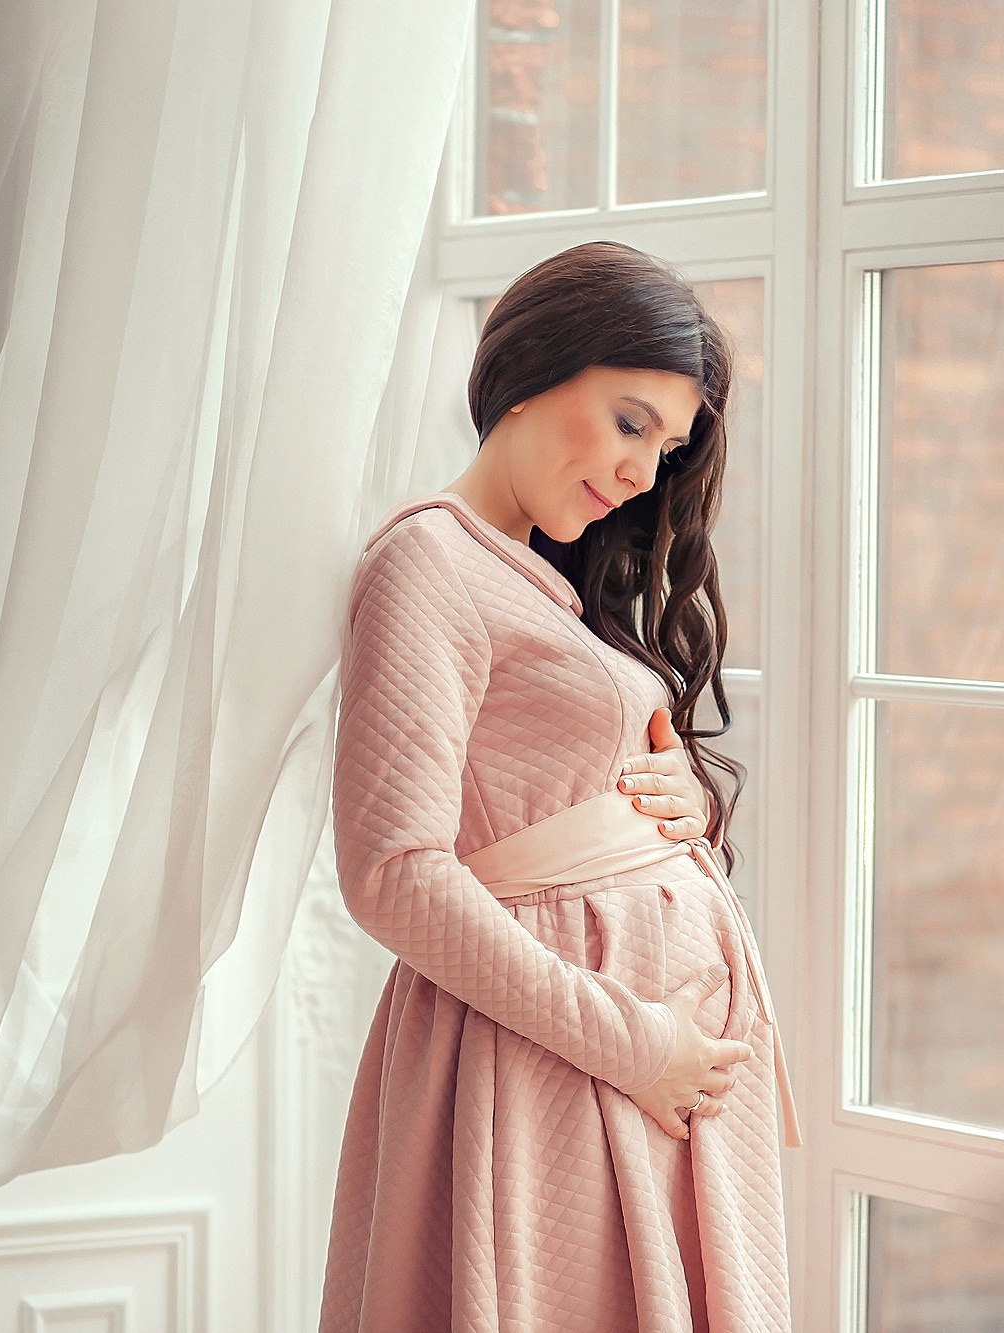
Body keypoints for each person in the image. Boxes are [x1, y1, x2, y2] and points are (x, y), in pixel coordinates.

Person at [318, 241, 800, 1332]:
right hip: (561, 1063)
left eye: (665, 449)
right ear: (532, 369)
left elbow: (549, 785)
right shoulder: (427, 564)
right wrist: (636, 1042)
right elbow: (392, 876)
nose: (642, 472)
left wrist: (685, 803)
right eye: (631, 423)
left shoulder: (540, 577)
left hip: (631, 1079)